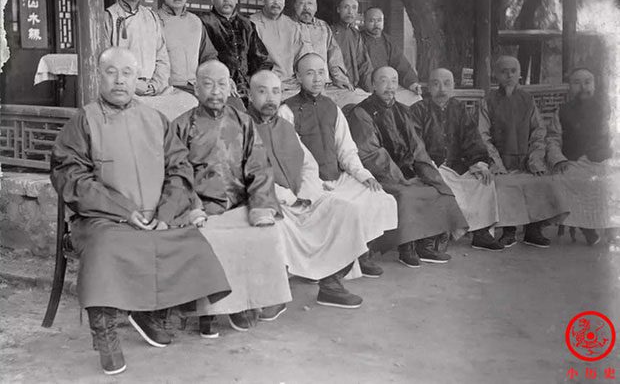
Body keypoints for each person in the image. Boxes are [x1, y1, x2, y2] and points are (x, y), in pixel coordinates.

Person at [50, 47, 230, 376]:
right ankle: (105, 334)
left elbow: (179, 170)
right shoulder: (83, 120)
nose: (120, 80)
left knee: (190, 242)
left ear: (138, 78)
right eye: (111, 72)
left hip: (155, 215)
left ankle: (152, 313)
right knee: (107, 247)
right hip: (102, 218)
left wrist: (166, 212)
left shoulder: (155, 119)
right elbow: (70, 175)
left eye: (128, 73)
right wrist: (122, 210)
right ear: (98, 75)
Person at [248, 70, 396, 307]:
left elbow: (308, 165)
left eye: (275, 92)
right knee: (274, 227)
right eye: (262, 91)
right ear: (249, 95)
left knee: (344, 210)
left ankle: (331, 284)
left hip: (301, 197)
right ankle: (272, 293)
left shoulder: (285, 126)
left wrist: (309, 195)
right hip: (269, 201)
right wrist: (288, 198)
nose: (270, 98)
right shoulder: (243, 128)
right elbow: (248, 175)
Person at [173, 60, 291, 336]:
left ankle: (246, 304)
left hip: (239, 204)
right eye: (208, 83)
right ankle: (209, 313)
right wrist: (192, 207)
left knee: (267, 234)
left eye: (222, 84)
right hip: (202, 208)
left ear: (232, 88)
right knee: (212, 239)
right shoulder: (181, 125)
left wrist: (260, 206)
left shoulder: (244, 122)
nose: (215, 91)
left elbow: (260, 166)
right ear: (195, 87)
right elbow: (176, 173)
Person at [279, 53, 398, 278]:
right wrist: (312, 184)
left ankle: (362, 252)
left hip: (337, 177)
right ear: (297, 77)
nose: (316, 78)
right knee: (343, 207)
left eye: (321, 72)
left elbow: (346, 150)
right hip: (309, 184)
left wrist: (363, 175)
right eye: (309, 73)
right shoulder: (286, 111)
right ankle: (336, 264)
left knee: (376, 195)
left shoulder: (331, 107)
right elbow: (290, 159)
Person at [347, 66, 468, 267]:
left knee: (436, 189)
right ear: (373, 85)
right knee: (406, 194)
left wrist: (429, 174)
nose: (390, 87)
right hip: (380, 175)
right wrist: (402, 178)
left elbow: (417, 147)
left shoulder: (403, 110)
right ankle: (406, 247)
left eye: (394, 81)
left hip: (406, 173)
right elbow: (371, 153)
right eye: (384, 81)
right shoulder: (362, 113)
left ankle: (425, 245)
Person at [479, 55, 568, 248]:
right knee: (503, 185)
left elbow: (539, 131)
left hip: (526, 161)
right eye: (504, 71)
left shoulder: (528, 100)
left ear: (519, 74)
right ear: (496, 75)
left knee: (541, 182)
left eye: (513, 71)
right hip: (501, 161)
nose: (509, 75)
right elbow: (483, 136)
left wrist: (536, 160)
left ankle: (533, 230)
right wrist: (496, 163)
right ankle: (509, 230)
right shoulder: (489, 101)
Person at [410, 68, 502, 251]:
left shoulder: (459, 109)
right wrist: (428, 165)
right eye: (436, 84)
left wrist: (479, 163)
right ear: (428, 87)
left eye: (447, 83)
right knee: (442, 184)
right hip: (429, 166)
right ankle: (443, 232)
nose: (441, 89)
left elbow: (472, 138)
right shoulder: (417, 110)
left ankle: (481, 232)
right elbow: (415, 144)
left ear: (453, 87)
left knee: (484, 182)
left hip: (456, 165)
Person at [547, 67, 619, 245]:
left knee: (613, 181)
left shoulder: (608, 108)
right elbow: (552, 139)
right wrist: (559, 159)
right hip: (574, 162)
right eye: (577, 83)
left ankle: (612, 228)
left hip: (604, 160)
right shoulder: (562, 111)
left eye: (587, 82)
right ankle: (587, 227)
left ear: (594, 85)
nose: (583, 87)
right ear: (570, 87)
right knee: (563, 180)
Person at [198, 0, 273, 97]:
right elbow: (203, 60)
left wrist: (252, 83)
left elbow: (263, 61)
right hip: (218, 89)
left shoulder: (247, 24)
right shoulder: (203, 22)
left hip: (248, 89)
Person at [104, 0, 170, 96]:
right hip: (120, 91)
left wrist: (154, 86)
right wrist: (131, 84)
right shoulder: (108, 17)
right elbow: (104, 62)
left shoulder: (152, 17)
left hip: (151, 91)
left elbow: (162, 59)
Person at [158, 0, 218, 92]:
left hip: (194, 87)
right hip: (166, 89)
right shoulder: (154, 20)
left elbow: (208, 56)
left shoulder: (195, 21)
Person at [250, 0, 308, 89]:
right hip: (264, 83)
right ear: (263, 0)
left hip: (291, 83)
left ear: (284, 2)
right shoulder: (251, 24)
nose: (276, 2)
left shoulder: (292, 26)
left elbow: (301, 57)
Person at [293, 0, 353, 91]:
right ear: (295, 6)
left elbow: (334, 56)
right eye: (301, 3)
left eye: (310, 3)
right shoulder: (288, 26)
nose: (306, 7)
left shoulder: (323, 27)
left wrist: (340, 78)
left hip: (324, 84)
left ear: (316, 7)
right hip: (297, 85)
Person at [361, 7, 422, 106]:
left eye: (379, 20)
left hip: (388, 84)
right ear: (365, 22)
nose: (376, 24)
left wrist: (412, 84)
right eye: (372, 21)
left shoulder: (388, 41)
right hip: (368, 85)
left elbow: (400, 63)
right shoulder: (358, 40)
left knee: (415, 98)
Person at [331, 0, 374, 90]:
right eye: (346, 7)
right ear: (338, 9)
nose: (350, 11)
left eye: (354, 8)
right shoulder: (330, 32)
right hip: (337, 86)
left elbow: (364, 64)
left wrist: (369, 89)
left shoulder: (356, 34)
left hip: (355, 86)